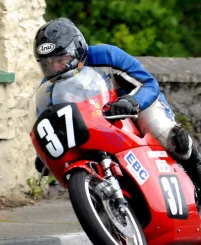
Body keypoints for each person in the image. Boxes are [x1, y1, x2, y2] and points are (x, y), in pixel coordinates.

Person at [32, 17, 201, 200]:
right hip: (96, 120)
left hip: (138, 105)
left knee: (168, 136)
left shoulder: (107, 55)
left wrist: (132, 102)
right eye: (47, 63)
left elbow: (149, 83)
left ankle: (197, 175)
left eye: (60, 59)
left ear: (77, 49)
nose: (55, 67)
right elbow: (48, 123)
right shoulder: (48, 88)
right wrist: (45, 153)